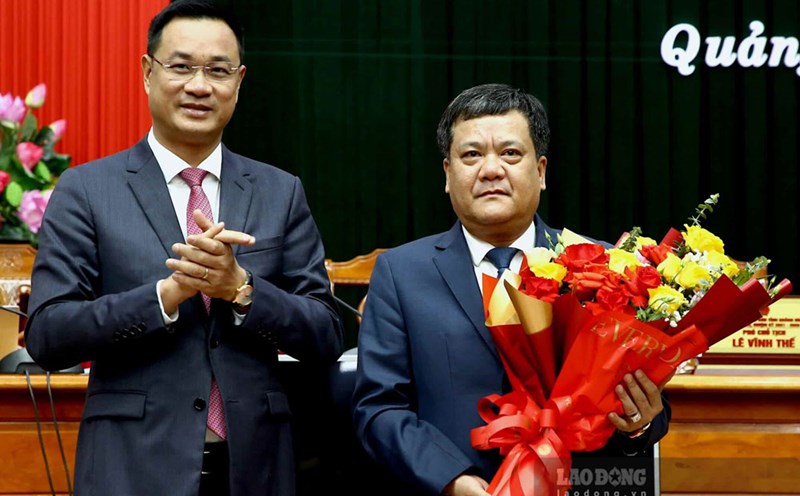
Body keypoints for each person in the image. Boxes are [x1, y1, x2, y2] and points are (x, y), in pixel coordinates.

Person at [24, 1, 343, 495]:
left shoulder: (280, 192)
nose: (199, 85)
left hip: (255, 468)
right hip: (131, 469)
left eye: (217, 70)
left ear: (239, 81)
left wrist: (241, 289)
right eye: (181, 66)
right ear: (147, 73)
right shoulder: (87, 189)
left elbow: (325, 334)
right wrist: (165, 296)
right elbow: (48, 334)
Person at [351, 83, 670, 496]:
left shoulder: (605, 268)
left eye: (510, 153)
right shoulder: (402, 274)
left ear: (541, 171)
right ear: (447, 174)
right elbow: (379, 409)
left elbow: (649, 411)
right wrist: (451, 480)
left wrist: (639, 421)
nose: (491, 170)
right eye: (471, 155)